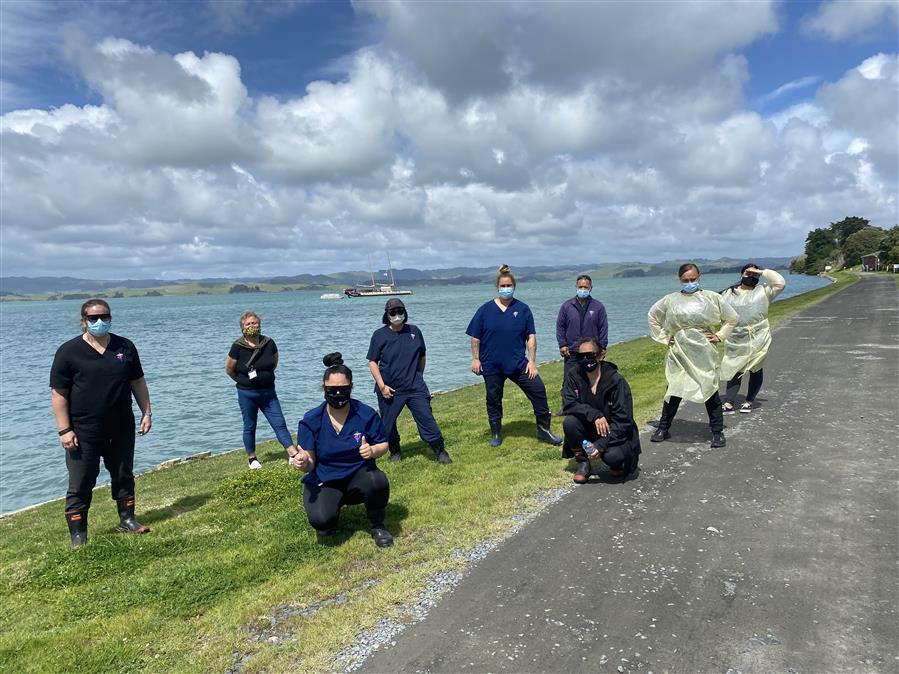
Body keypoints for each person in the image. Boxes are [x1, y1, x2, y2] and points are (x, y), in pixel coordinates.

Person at [50, 299, 153, 548]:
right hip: (84, 430)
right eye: (93, 318)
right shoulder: (68, 351)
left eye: (104, 316)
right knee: (82, 480)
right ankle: (78, 535)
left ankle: (127, 519)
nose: (99, 321)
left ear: (110, 317)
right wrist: (64, 430)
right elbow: (59, 393)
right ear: (83, 320)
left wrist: (146, 412)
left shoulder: (125, 346)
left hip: (121, 426)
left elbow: (137, 381)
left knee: (123, 474)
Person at [293, 353, 393, 548]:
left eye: (343, 389)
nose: (338, 394)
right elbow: (310, 462)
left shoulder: (365, 413)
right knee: (322, 522)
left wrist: (372, 451)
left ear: (351, 388)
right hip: (326, 479)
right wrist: (303, 462)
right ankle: (331, 508)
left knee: (377, 480)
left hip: (358, 474)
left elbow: (384, 444)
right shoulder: (311, 419)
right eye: (332, 389)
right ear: (324, 388)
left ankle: (378, 525)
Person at [466, 264, 562, 447]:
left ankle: (544, 431)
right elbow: (475, 338)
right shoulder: (484, 310)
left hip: (518, 364)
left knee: (538, 390)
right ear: (497, 287)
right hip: (491, 365)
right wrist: (475, 358)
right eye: (502, 286)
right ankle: (496, 433)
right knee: (493, 399)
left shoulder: (523, 309)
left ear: (514, 286)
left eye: (508, 285)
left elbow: (531, 337)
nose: (505, 289)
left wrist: (532, 362)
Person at [647, 263, 739, 448]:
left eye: (693, 279)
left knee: (709, 389)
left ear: (699, 277)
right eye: (685, 280)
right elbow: (653, 316)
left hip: (704, 351)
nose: (689, 283)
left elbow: (732, 317)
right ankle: (663, 428)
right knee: (674, 389)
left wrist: (719, 335)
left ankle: (717, 431)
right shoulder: (670, 300)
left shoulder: (712, 297)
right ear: (679, 280)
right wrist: (665, 338)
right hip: (680, 352)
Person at [367, 298, 451, 464]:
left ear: (405, 313)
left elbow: (422, 356)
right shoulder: (379, 335)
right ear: (387, 315)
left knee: (426, 418)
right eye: (393, 312)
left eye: (400, 311)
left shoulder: (414, 331)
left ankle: (440, 450)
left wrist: (418, 376)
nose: (397, 315)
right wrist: (382, 386)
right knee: (388, 425)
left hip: (415, 387)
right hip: (389, 389)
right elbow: (372, 362)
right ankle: (395, 451)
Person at [225, 311, 298, 470]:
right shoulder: (237, 346)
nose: (252, 326)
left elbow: (275, 362)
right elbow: (229, 369)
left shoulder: (269, 343)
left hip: (268, 392)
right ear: (242, 328)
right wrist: (243, 382)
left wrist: (265, 376)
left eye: (254, 323)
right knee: (250, 425)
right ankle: (252, 458)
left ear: (259, 324)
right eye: (248, 324)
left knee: (279, 423)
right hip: (247, 394)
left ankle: (292, 453)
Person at [562, 338, 641, 483]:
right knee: (570, 422)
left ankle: (617, 463)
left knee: (613, 456)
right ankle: (583, 462)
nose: (585, 359)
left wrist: (600, 445)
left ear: (600, 355)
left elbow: (624, 422)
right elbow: (568, 403)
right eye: (581, 356)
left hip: (614, 431)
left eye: (590, 355)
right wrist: (594, 414)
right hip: (590, 426)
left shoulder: (616, 381)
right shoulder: (574, 375)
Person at [719, 264, 786, 414]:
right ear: (741, 274)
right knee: (734, 368)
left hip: (759, 336)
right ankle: (729, 402)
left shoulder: (764, 291)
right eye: (748, 273)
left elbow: (780, 283)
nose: (751, 277)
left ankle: (749, 400)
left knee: (756, 368)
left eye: (754, 275)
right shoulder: (728, 293)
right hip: (736, 338)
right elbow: (717, 310)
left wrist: (761, 272)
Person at [555, 274, 608, 429]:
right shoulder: (567, 306)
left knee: (592, 380)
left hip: (591, 352)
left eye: (586, 287)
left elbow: (603, 327)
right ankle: (567, 408)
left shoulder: (598, 307)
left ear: (591, 288)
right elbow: (560, 327)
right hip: (571, 350)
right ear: (576, 287)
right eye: (580, 287)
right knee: (569, 380)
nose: (583, 289)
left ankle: (594, 406)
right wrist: (562, 344)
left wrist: (602, 346)